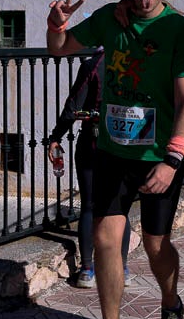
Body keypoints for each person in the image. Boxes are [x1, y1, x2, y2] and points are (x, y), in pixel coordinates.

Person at [47, 0, 184, 319]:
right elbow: (60, 49)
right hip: (113, 151)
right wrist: (56, 24)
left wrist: (173, 158)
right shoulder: (109, 19)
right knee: (106, 238)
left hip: (158, 157)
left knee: (155, 245)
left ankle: (170, 306)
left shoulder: (178, 29)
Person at [46, 50, 132, 288]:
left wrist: (55, 137)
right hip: (125, 144)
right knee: (121, 207)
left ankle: (87, 269)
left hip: (93, 144)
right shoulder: (137, 62)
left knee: (89, 206)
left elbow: (72, 107)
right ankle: (122, 267)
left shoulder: (93, 64)